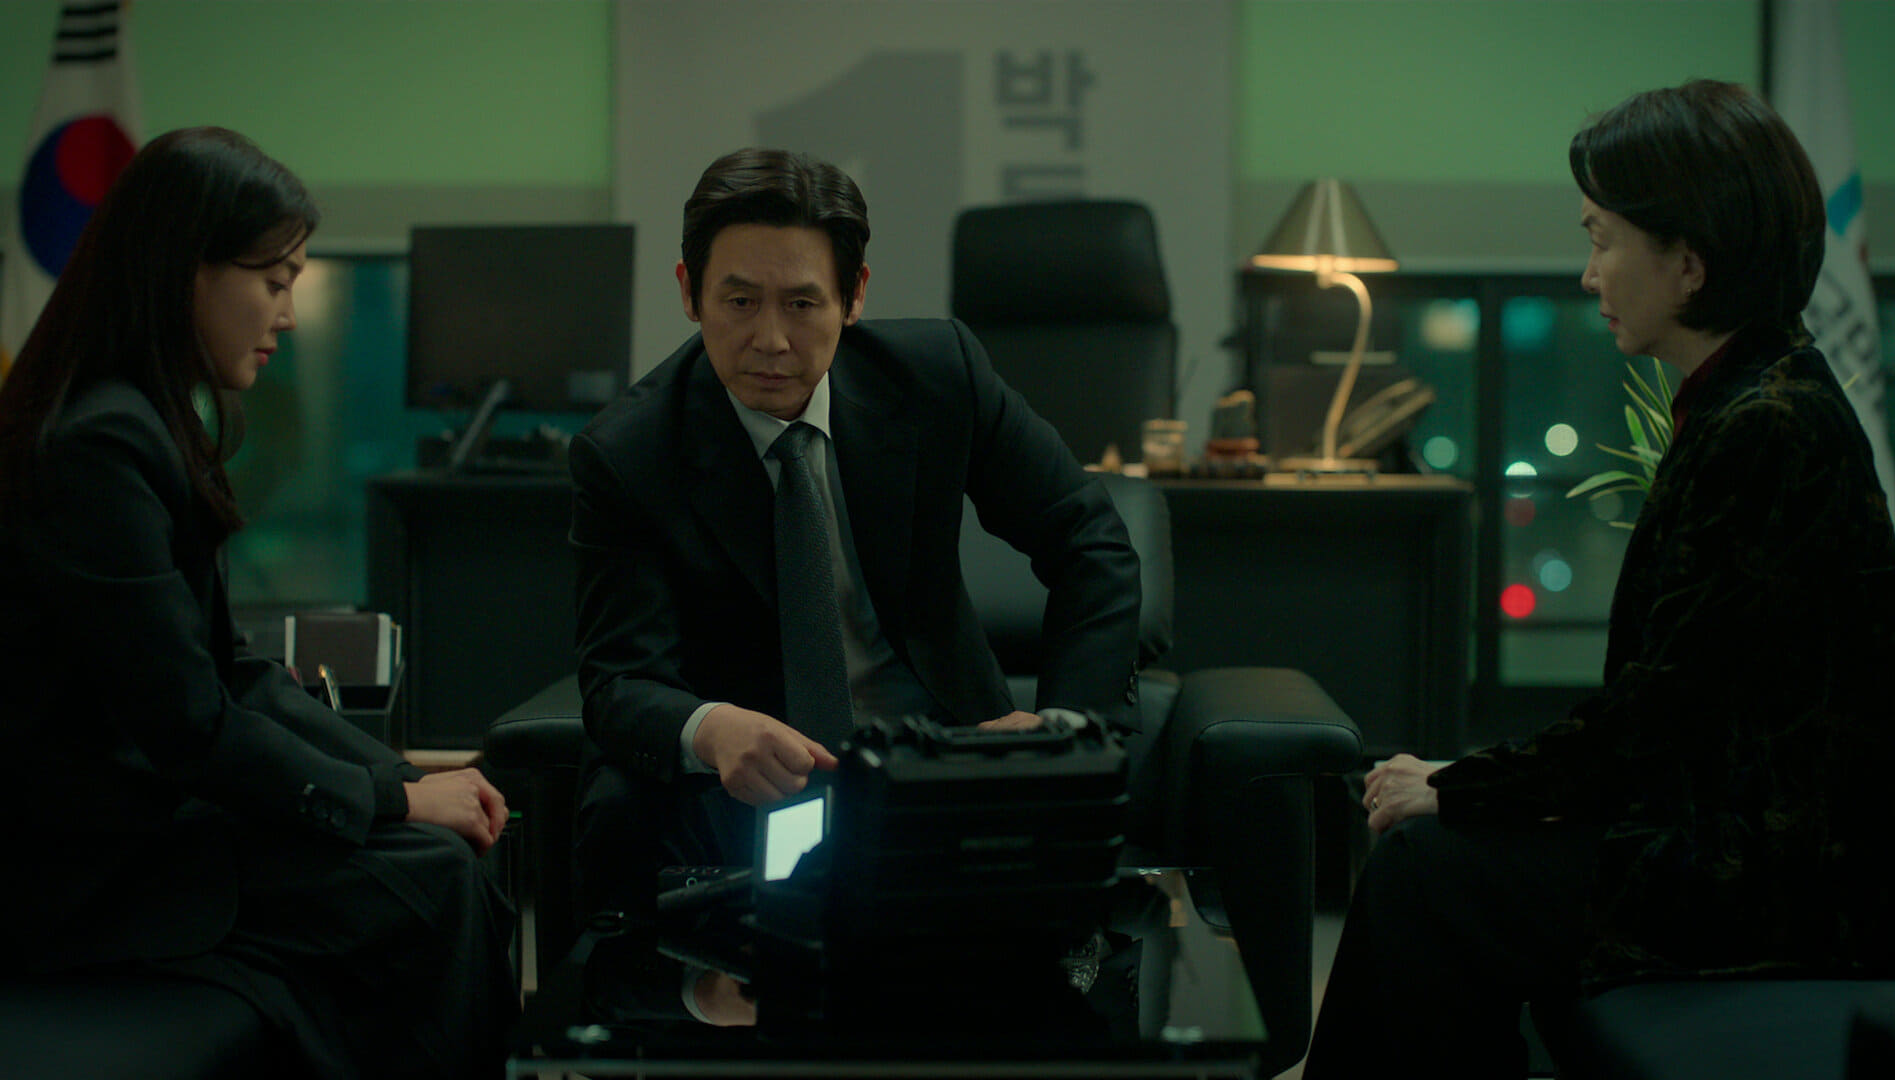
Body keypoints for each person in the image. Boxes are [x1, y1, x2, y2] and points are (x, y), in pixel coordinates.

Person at [1304, 80, 1895, 1078]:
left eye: (1602, 240)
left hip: (1778, 885)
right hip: (1735, 838)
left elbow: (1658, 720)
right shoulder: (1755, 397)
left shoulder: (1766, 428)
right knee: (1435, 860)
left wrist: (1460, 785)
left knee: (1424, 868)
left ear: (1688, 263)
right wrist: (1478, 785)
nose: (1587, 274)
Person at [0, 127, 517, 1079]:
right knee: (433, 884)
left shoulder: (144, 422)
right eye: (274, 280)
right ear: (182, 272)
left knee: (436, 863)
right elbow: (190, 725)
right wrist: (394, 799)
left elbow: (233, 669)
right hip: (92, 870)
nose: (288, 313)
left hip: (151, 826)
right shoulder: (97, 448)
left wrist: (392, 773)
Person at [569, 147, 1142, 926]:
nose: (771, 339)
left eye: (802, 304)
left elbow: (1090, 540)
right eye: (739, 301)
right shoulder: (629, 454)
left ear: (854, 296)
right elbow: (618, 681)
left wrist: (1060, 731)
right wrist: (710, 729)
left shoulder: (937, 375)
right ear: (689, 292)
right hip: (758, 780)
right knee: (623, 809)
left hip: (943, 756)